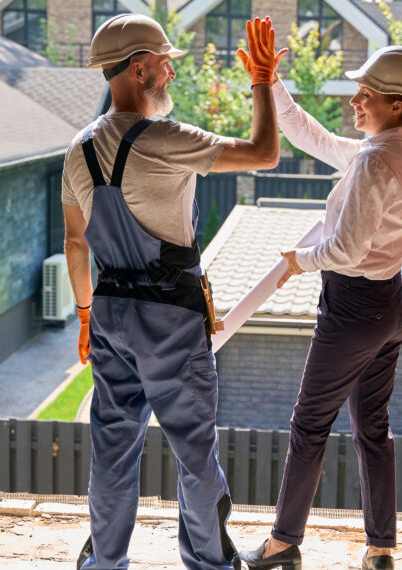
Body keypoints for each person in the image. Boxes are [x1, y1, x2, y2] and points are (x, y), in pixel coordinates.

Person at [61, 14, 283, 570]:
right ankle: (209, 563)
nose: (171, 74)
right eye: (165, 63)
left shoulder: (77, 150)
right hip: (170, 320)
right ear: (139, 69)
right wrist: (260, 79)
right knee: (193, 452)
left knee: (113, 448)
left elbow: (74, 243)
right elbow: (264, 153)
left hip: (111, 315)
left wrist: (86, 316)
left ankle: (104, 562)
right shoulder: (164, 139)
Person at [236, 46, 402, 570]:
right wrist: (270, 82)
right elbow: (315, 138)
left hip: (354, 312)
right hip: (389, 306)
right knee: (373, 428)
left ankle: (283, 544)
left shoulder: (375, 162)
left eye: (366, 94)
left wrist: (296, 261)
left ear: (397, 105)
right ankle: (380, 550)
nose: (355, 100)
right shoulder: (394, 151)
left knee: (309, 424)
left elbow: (345, 252)